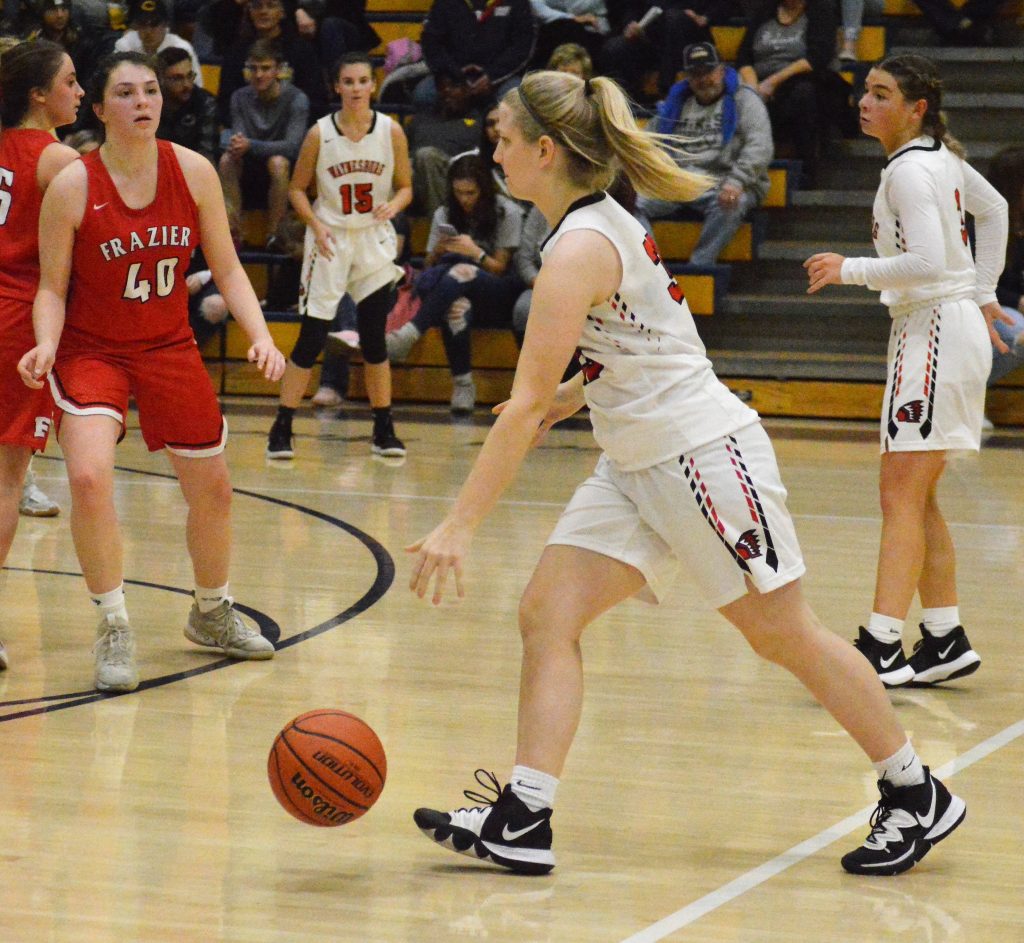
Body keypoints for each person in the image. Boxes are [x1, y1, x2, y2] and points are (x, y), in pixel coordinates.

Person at [408, 68, 967, 879]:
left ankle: (915, 791)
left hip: (699, 456)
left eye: (502, 136)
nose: (492, 151)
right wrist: (577, 392)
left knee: (783, 634)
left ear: (545, 149)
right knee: (547, 613)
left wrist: (459, 524)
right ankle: (525, 814)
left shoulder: (579, 247)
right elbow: (647, 334)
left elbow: (520, 408)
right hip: (636, 460)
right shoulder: (596, 223)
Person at [18, 51, 286, 693]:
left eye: (150, 91)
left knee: (214, 490)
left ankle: (211, 610)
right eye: (126, 92)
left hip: (168, 344)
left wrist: (261, 336)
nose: (142, 102)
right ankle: (113, 623)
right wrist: (46, 343)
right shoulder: (73, 185)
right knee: (87, 479)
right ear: (100, 107)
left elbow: (227, 267)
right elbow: (51, 287)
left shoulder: (192, 171)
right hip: (91, 350)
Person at [804, 54, 1009, 688]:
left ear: (916, 109)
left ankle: (882, 645)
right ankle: (943, 636)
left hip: (935, 332)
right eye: (866, 91)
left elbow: (925, 261)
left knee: (899, 496)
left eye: (881, 94)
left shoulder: (913, 171)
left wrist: (848, 269)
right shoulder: (935, 159)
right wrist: (984, 291)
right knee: (916, 497)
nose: (865, 103)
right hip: (940, 327)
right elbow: (996, 209)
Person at [266, 51, 412, 459]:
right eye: (348, 81)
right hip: (331, 239)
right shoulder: (320, 133)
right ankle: (282, 426)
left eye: (362, 81)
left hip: (372, 239)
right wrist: (315, 224)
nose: (356, 88)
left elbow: (406, 187)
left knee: (374, 338)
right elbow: (297, 188)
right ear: (337, 86)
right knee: (311, 337)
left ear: (373, 85)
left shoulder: (391, 131)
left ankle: (383, 428)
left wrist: (394, 205)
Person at [0, 39, 83, 672]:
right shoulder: (58, 159)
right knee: (7, 481)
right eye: (70, 81)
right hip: (14, 321)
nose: (79, 92)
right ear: (38, 94)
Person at [385, 152, 524, 413]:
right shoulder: (445, 213)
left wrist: (476, 253)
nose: (464, 199)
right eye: (459, 192)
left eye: (471, 193)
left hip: (498, 291)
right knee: (456, 308)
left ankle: (410, 333)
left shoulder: (508, 212)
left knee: (462, 269)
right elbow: (428, 269)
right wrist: (438, 251)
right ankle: (463, 385)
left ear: (484, 190)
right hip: (453, 290)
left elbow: (501, 269)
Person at [638, 41, 773, 267]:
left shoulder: (745, 99)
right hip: (681, 181)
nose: (703, 79)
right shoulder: (676, 102)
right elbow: (646, 143)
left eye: (708, 72)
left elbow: (760, 146)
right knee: (629, 203)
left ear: (722, 70)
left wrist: (737, 181)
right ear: (687, 77)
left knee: (734, 202)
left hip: (725, 180)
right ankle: (652, 267)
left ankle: (700, 268)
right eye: (696, 74)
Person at [736, 0, 849, 188]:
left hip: (802, 79)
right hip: (760, 83)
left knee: (803, 94)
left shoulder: (820, 11)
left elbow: (817, 58)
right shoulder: (765, 11)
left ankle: (807, 169)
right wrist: (753, 89)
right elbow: (743, 58)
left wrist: (772, 83)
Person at [218, 38, 309, 247]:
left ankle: (275, 235)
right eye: (254, 68)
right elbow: (239, 139)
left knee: (278, 162)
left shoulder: (297, 99)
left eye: (266, 68)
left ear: (278, 70)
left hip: (284, 164)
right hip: (250, 161)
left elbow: (293, 147)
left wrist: (251, 145)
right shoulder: (239, 97)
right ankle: (234, 233)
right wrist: (238, 144)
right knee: (226, 160)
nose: (259, 75)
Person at [415, 0, 535, 111]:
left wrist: (492, 76)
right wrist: (454, 73)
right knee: (423, 94)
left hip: (501, 78)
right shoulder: (445, 2)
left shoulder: (517, 2)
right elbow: (430, 43)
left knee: (517, 98)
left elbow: (522, 47)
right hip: (454, 75)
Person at [986, 146, 1024, 388]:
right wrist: (1019, 301)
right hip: (991, 306)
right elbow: (977, 283)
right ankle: (963, 392)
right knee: (1017, 335)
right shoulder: (986, 224)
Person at [114, 0, 204, 88]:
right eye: (142, 24)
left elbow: (196, 86)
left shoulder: (181, 48)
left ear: (165, 25)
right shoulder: (125, 45)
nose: (148, 31)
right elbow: (113, 80)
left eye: (154, 24)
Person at [156, 46, 217, 165]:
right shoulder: (150, 104)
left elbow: (206, 153)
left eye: (190, 76)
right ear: (161, 79)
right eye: (177, 78)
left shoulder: (205, 102)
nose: (187, 85)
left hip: (193, 167)